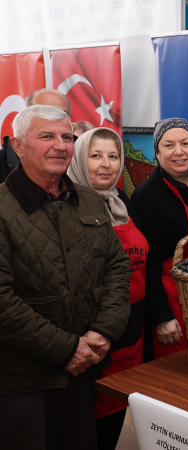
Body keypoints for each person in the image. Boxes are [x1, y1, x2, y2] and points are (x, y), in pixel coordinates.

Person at [0, 105, 130, 449]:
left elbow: (117, 267)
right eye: (47, 136)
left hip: (83, 376)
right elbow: (2, 302)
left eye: (67, 137)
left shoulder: (87, 199)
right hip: (23, 386)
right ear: (18, 146)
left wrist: (104, 331)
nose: (61, 145)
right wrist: (68, 349)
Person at [67, 127, 148, 450]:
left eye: (113, 156)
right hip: (97, 338)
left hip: (132, 334)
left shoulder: (123, 202)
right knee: (89, 428)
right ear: (77, 159)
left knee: (117, 415)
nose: (106, 164)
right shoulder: (68, 209)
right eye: (95, 155)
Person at [131, 118, 188, 360]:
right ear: (157, 153)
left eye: (186, 143)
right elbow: (147, 266)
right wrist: (161, 316)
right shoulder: (145, 197)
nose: (179, 151)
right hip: (172, 300)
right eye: (169, 145)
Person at [0, 88, 72, 183]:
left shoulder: (86, 157)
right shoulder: (2, 162)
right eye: (45, 112)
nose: (61, 147)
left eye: (63, 114)